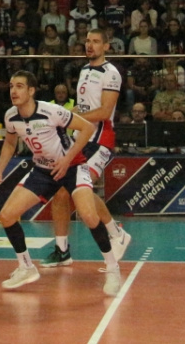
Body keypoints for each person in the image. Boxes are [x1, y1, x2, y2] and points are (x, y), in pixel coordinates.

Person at [0, 71, 123, 296]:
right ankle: (26, 267)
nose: (14, 91)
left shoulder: (51, 111)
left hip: (72, 167)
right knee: (7, 215)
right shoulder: (11, 116)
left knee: (89, 215)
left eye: (20, 86)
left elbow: (87, 128)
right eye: (11, 86)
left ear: (31, 91)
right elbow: (10, 143)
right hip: (42, 171)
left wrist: (67, 159)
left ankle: (112, 268)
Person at [42, 29, 132, 267]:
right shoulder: (83, 70)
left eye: (95, 41)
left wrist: (71, 116)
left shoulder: (111, 73)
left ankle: (116, 232)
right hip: (81, 139)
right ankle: (62, 250)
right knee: (62, 192)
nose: (90, 45)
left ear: (106, 46)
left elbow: (104, 112)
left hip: (100, 140)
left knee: (79, 191)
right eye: (87, 41)